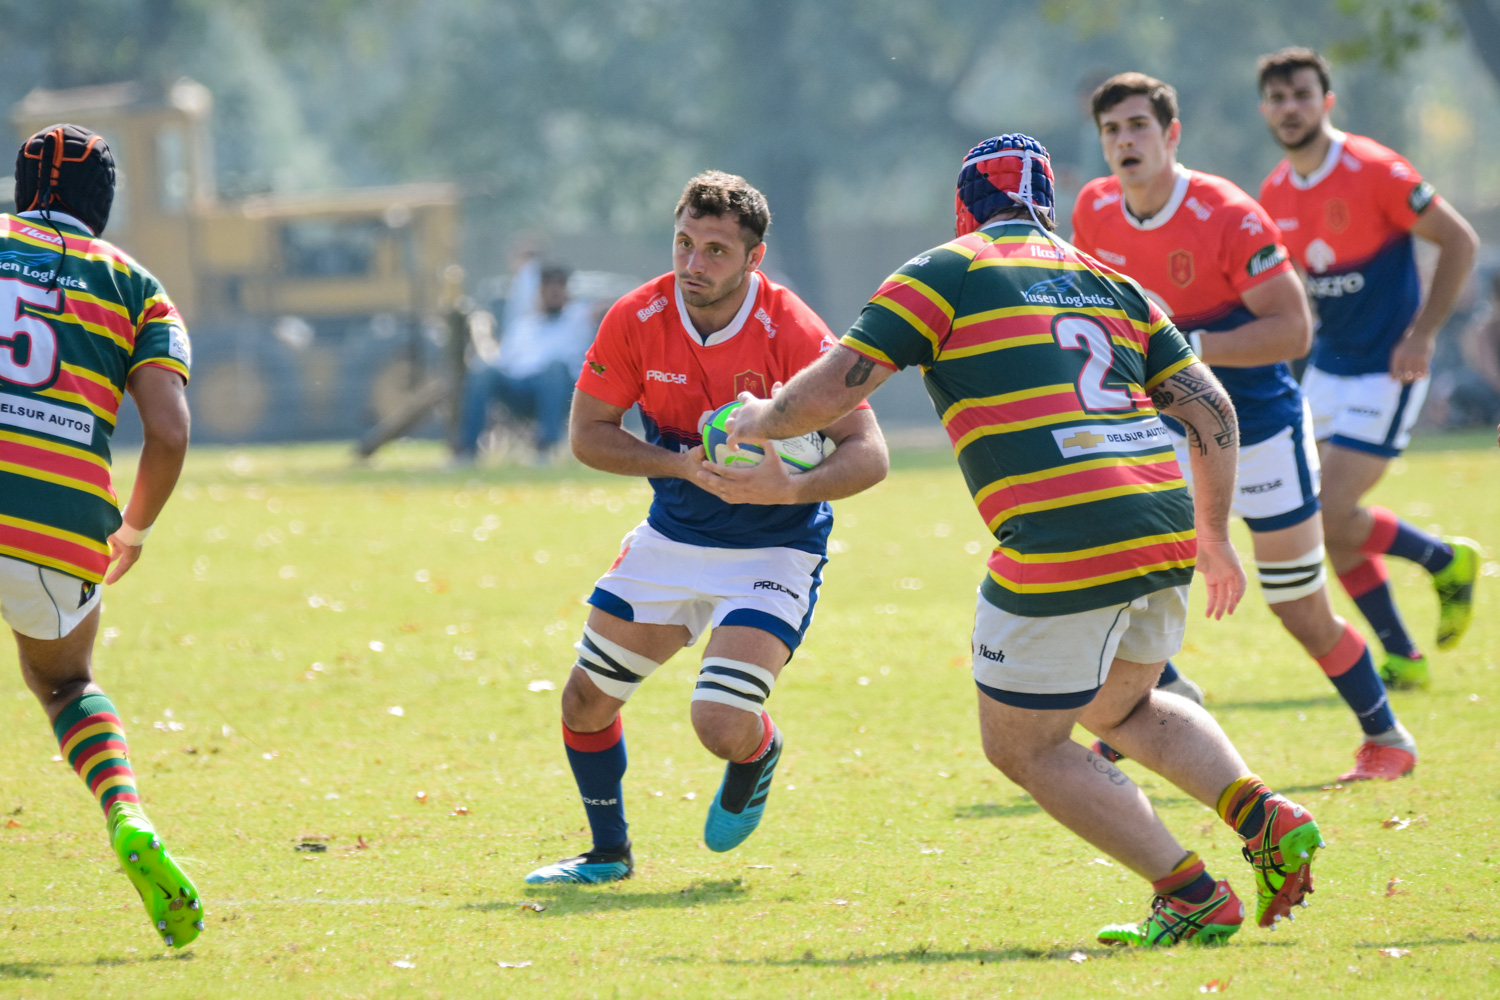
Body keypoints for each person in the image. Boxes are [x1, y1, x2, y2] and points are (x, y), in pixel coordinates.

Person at [729, 134, 1322, 946]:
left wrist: (762, 419)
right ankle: (1266, 816)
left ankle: (1189, 894)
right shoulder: (1112, 280)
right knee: (1124, 703)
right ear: (1047, 204)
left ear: (965, 205)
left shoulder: (947, 269)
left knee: (1025, 747)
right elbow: (1214, 409)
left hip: (1061, 534)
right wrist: (1213, 533)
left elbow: (837, 384)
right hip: (1161, 525)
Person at [524, 170, 888, 884]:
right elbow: (589, 434)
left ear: (753, 260)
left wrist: (793, 486)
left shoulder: (792, 329)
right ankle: (607, 855)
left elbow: (869, 453)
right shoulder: (636, 317)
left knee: (719, 723)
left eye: (716, 250)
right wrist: (680, 465)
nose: (694, 263)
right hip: (674, 533)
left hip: (775, 546)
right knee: (584, 700)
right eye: (684, 243)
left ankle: (758, 752)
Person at [1072, 72, 1417, 782]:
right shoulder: (1095, 211)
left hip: (1257, 426)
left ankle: (1388, 738)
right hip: (1163, 427)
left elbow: (1293, 330)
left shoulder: (1226, 212)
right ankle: (1160, 698)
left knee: (1298, 606)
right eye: (1111, 130)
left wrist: (1185, 348)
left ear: (1170, 135)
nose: (1124, 141)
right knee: (1114, 564)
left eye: (1138, 126)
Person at [1, 125, 200, 946]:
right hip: (57, 522)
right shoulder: (140, 288)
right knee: (65, 684)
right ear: (104, 203)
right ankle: (125, 814)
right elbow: (169, 431)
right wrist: (135, 529)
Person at [1257, 47, 1482, 690]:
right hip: (1328, 367)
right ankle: (1405, 653)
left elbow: (1459, 239)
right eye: (1276, 98)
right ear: (1265, 111)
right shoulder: (1276, 191)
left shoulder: (1373, 168)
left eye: (1301, 94)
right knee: (1324, 522)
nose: (1289, 108)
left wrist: (1423, 335)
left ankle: (1444, 562)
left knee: (1328, 511)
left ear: (1326, 101)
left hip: (1391, 367)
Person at [454, 258, 595, 464]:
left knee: (554, 367)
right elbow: (504, 361)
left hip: (562, 391)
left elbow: (612, 308)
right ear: (539, 291)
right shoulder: (523, 326)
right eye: (548, 287)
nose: (554, 292)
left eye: (559, 287)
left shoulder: (581, 318)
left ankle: (545, 448)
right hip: (520, 391)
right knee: (484, 371)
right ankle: (466, 450)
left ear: (567, 291)